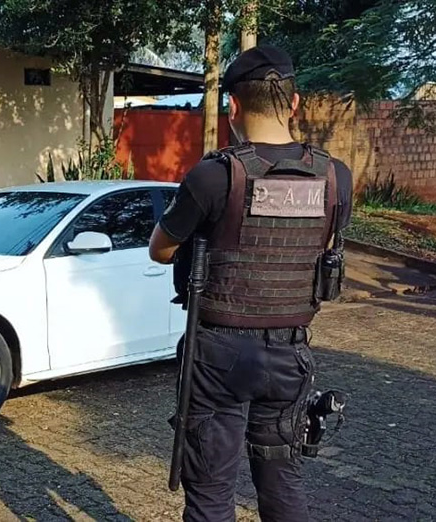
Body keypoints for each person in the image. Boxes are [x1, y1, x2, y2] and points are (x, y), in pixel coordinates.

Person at [148, 45, 353, 522]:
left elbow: (160, 249)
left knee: (210, 491)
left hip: (218, 354)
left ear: (233, 106)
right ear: (295, 103)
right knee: (283, 484)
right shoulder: (335, 177)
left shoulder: (214, 176)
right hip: (289, 353)